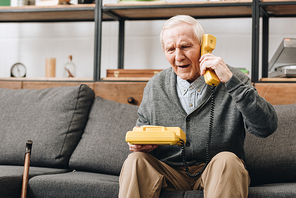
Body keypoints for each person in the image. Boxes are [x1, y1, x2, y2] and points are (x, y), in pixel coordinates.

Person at [119, 15, 278, 198]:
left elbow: (267, 127)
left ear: (203, 46)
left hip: (219, 172)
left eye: (185, 46)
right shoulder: (155, 86)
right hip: (169, 172)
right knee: (135, 161)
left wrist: (231, 82)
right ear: (164, 50)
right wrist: (141, 145)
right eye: (171, 49)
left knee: (227, 160)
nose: (179, 56)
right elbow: (143, 128)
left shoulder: (233, 79)